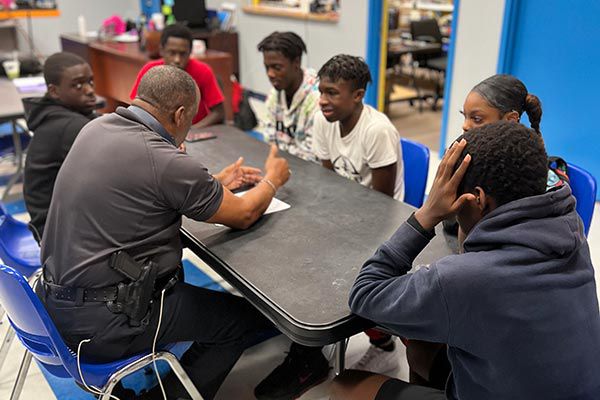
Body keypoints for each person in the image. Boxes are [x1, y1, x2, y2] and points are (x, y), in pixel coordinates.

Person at [36, 65, 292, 400]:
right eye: (191, 119)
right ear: (181, 113)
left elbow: (142, 187)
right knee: (239, 321)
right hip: (105, 324)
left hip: (54, 308)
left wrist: (213, 184)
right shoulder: (163, 158)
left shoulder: (96, 128)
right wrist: (273, 178)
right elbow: (243, 214)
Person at [333, 121, 600, 400]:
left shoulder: (464, 279)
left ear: (477, 199)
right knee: (420, 349)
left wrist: (426, 215)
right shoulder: (571, 228)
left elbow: (365, 293)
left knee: (345, 386)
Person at [22, 52, 97, 243]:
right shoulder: (68, 126)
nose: (89, 90)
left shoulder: (57, 114)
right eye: (78, 85)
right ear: (54, 91)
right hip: (57, 238)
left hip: (53, 224)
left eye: (90, 81)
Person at [313, 54, 404, 200]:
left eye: (331, 93)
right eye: (321, 92)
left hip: (377, 211)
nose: (322, 101)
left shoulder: (377, 130)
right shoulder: (321, 119)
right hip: (342, 202)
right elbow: (329, 179)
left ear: (358, 95)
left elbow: (383, 202)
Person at [130, 23, 225, 128]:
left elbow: (219, 112)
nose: (177, 60)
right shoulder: (150, 71)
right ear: (162, 50)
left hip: (195, 132)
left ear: (190, 52)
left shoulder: (203, 71)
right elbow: (136, 108)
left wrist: (191, 131)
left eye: (183, 54)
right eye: (172, 53)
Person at [257, 31, 320, 162]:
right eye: (266, 67)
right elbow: (269, 138)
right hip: (282, 167)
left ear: (296, 62)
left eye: (277, 67)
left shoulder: (317, 97)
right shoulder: (275, 92)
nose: (270, 74)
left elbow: (313, 156)